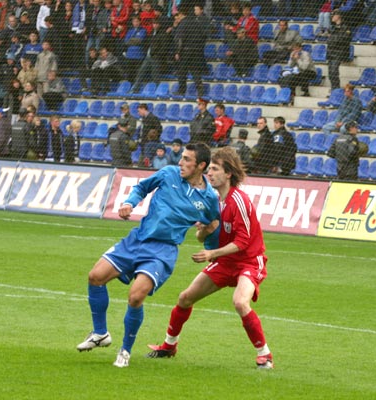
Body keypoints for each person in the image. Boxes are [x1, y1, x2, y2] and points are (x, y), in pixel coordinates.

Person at [76, 143, 220, 368]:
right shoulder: (169, 173)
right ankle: (100, 333)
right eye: (181, 157)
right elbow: (141, 188)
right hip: (138, 239)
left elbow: (213, 223)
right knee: (95, 276)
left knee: (136, 297)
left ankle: (125, 350)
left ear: (201, 165)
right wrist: (129, 203)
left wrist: (212, 249)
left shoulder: (209, 197)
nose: (180, 162)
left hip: (162, 252)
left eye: (187, 159)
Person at [146, 146, 273, 369]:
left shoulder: (239, 201)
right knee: (185, 298)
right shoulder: (212, 200)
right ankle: (169, 346)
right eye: (209, 169)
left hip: (249, 261)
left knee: (240, 302)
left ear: (228, 173)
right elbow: (201, 237)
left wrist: (212, 254)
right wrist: (205, 230)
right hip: (225, 262)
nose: (209, 173)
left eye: (215, 169)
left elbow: (243, 242)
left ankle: (265, 354)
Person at [174, 7, 208, 98]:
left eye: (178, 15)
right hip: (196, 50)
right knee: (195, 70)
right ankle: (200, 88)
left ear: (181, 14)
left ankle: (182, 90)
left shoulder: (183, 24)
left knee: (181, 71)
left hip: (185, 51)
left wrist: (177, 52)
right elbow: (203, 36)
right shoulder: (196, 22)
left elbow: (180, 39)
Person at [327, 10, 352, 90]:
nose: (332, 17)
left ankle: (336, 90)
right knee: (330, 74)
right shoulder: (333, 27)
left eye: (334, 15)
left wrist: (332, 38)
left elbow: (344, 39)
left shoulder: (345, 27)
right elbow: (330, 39)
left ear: (338, 16)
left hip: (339, 52)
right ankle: (333, 90)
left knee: (334, 72)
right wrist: (333, 38)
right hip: (331, 52)